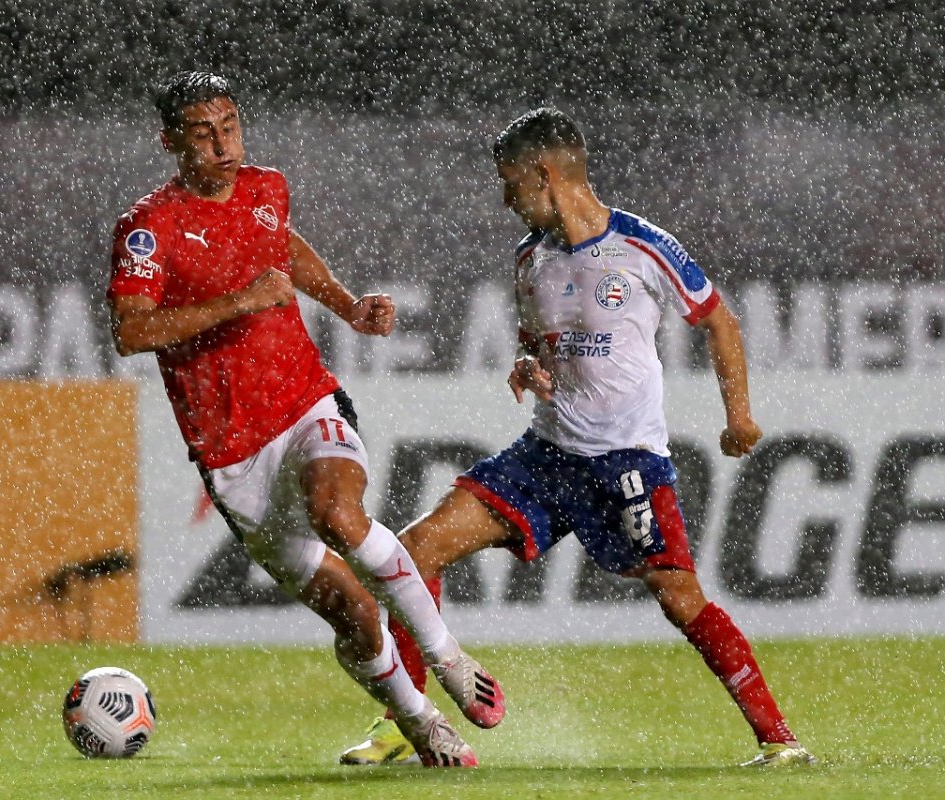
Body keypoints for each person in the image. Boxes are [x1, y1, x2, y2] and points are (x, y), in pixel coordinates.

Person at [339, 106, 816, 769]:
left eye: (510, 183)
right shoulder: (529, 258)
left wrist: (739, 416)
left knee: (680, 599)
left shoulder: (645, 247)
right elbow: (540, 343)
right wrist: (529, 365)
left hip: (626, 463)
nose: (505, 200)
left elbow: (720, 323)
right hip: (545, 454)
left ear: (544, 173)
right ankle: (407, 723)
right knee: (415, 549)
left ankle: (778, 740)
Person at [106, 71, 505, 768]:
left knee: (336, 513)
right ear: (169, 142)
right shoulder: (148, 229)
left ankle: (447, 657)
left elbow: (282, 249)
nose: (222, 143)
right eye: (202, 133)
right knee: (351, 611)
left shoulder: (267, 188)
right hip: (231, 454)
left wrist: (347, 305)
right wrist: (239, 301)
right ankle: (419, 725)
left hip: (304, 402)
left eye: (229, 124)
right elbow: (132, 332)